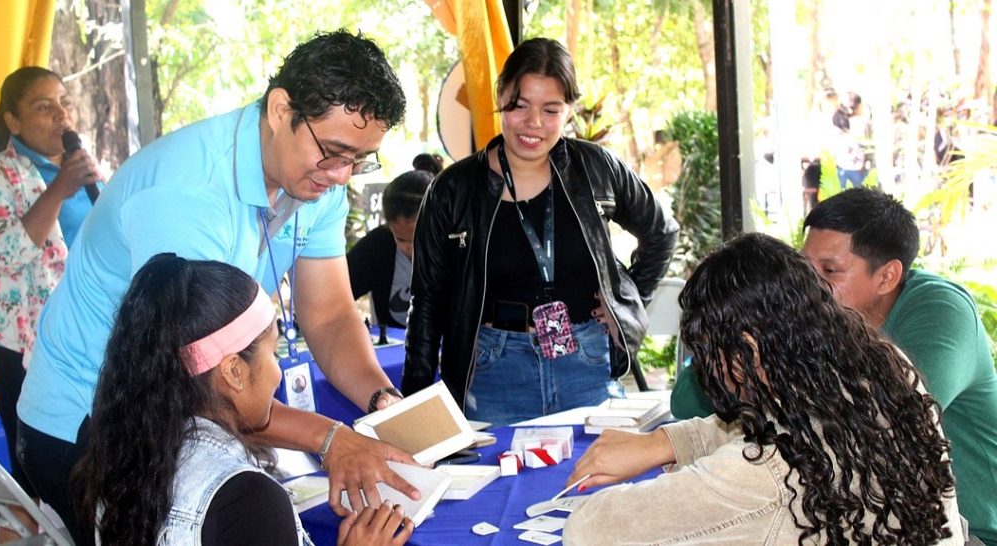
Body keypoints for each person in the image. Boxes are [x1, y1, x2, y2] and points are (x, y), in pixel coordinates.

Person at [17, 30, 419, 543]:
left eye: (360, 160)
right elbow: (201, 384)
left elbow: (330, 315)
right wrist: (329, 437)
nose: (341, 177)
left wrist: (380, 399)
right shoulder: (190, 196)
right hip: (85, 422)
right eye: (334, 152)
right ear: (280, 110)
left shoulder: (316, 182)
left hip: (182, 417)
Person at [564, 233, 963, 545]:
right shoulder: (880, 367)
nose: (706, 370)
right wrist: (666, 442)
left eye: (708, 354)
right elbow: (766, 421)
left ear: (748, 349)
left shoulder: (764, 471)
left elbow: (591, 530)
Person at [672, 188, 997, 544]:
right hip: (862, 518)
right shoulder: (818, 325)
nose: (808, 286)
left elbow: (865, 422)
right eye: (802, 267)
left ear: (887, 276)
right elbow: (691, 399)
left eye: (829, 270)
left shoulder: (941, 313)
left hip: (965, 532)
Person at [402, 38, 678, 426]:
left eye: (551, 110)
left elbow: (662, 233)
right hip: (493, 368)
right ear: (500, 97)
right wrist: (416, 405)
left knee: (597, 483)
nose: (533, 124)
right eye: (519, 106)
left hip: (586, 359)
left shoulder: (596, 169)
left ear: (568, 111)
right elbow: (427, 299)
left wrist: (625, 299)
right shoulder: (453, 190)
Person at [73, 254, 413, 546]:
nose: (279, 372)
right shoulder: (248, 499)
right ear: (234, 371)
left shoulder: (126, 451)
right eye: (271, 353)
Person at [0, 66, 102, 540]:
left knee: (96, 465)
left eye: (63, 102)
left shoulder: (85, 167)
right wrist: (59, 189)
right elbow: (2, 257)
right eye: (42, 106)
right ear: (12, 120)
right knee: (41, 479)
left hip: (88, 342)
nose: (59, 114)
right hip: (26, 347)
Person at [348, 168, 431, 328]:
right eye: (400, 239)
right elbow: (336, 297)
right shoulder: (378, 246)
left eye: (419, 240)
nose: (410, 249)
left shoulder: (463, 248)